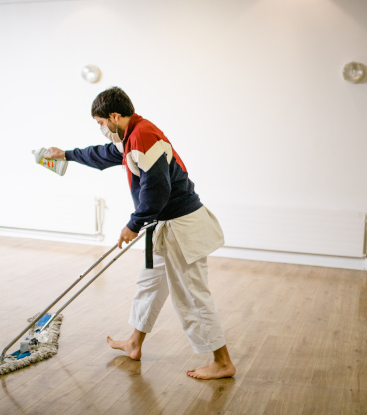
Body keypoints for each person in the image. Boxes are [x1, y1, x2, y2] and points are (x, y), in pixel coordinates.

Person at [46, 87, 235, 380]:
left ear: (114, 116)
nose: (101, 129)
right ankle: (135, 343)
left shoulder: (142, 138)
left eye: (100, 123)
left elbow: (157, 191)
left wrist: (133, 224)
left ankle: (222, 362)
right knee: (149, 284)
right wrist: (67, 155)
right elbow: (105, 154)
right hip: (166, 225)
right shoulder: (133, 134)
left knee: (192, 295)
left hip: (182, 226)